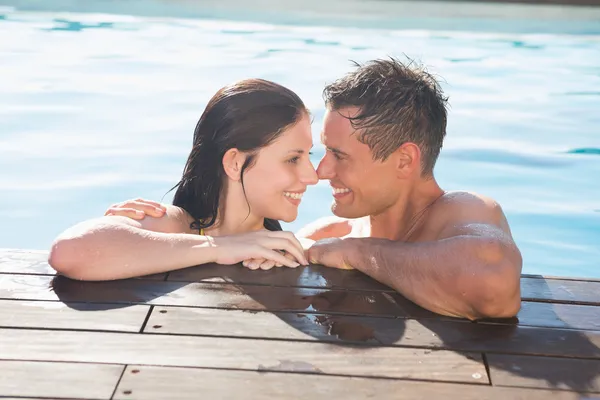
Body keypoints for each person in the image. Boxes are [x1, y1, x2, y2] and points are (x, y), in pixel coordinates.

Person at [109, 58, 523, 321]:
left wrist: (360, 254)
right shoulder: (331, 234)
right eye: (319, 153)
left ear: (404, 160)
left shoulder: (460, 211)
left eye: (340, 156)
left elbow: (493, 286)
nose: (321, 171)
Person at [48, 79, 318, 281]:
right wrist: (220, 247)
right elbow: (69, 252)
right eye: (293, 159)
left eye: (309, 156)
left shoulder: (283, 249)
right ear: (235, 163)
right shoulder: (175, 227)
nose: (312, 176)